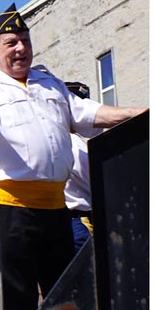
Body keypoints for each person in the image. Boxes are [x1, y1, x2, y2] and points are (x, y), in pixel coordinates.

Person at [0, 4, 145, 310]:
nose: (21, 48)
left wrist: (141, 112)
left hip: (57, 210)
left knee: (66, 302)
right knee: (16, 305)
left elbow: (90, 113)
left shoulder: (49, 83)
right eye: (11, 42)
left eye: (25, 40)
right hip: (9, 211)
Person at [64, 82, 94, 253]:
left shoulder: (72, 140)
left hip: (72, 219)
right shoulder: (73, 142)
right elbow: (92, 180)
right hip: (79, 219)